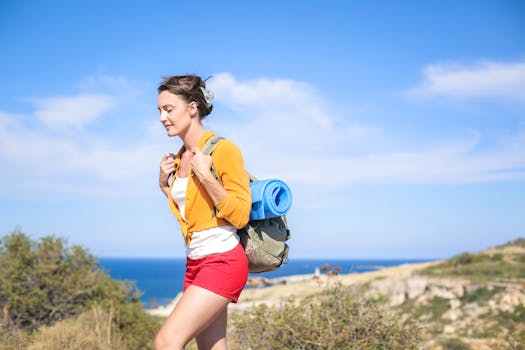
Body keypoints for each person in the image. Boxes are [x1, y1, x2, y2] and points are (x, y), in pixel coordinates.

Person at [155, 75, 251, 350]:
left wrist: (206, 177)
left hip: (222, 261)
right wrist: (165, 186)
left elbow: (240, 214)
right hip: (195, 262)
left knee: (167, 342)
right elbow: (194, 213)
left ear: (193, 108)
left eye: (169, 109)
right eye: (160, 111)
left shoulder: (224, 150)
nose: (162, 117)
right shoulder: (179, 156)